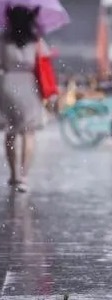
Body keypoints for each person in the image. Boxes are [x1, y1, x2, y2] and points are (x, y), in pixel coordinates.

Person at [0, 5, 49, 192]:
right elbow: (44, 59)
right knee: (28, 132)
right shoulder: (35, 40)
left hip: (7, 84)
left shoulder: (3, 39)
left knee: (10, 133)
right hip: (29, 84)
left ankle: (14, 175)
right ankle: (24, 176)